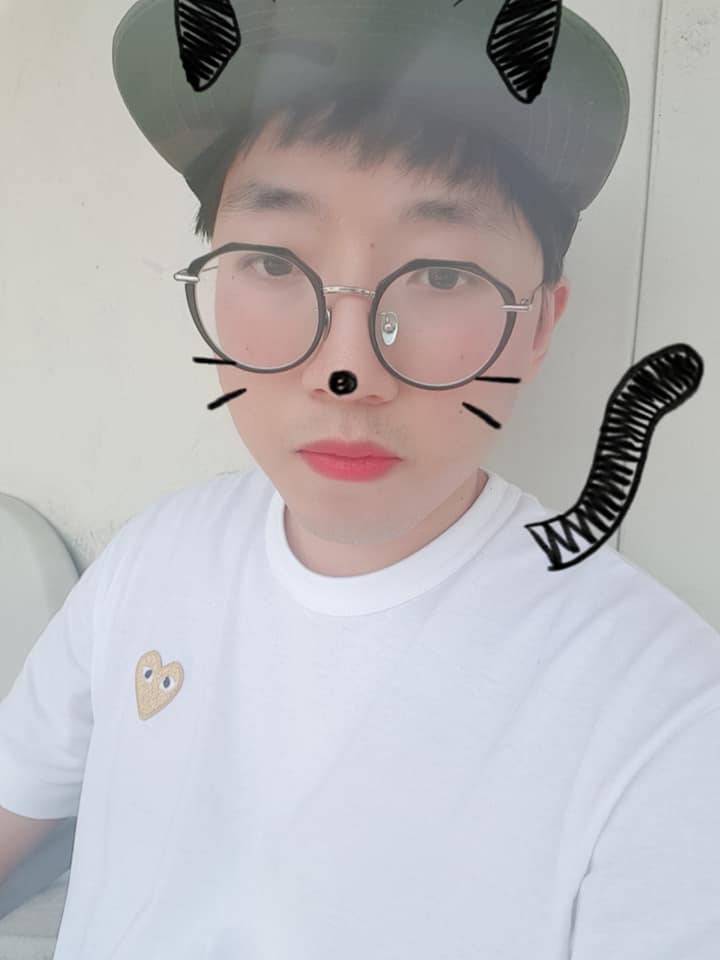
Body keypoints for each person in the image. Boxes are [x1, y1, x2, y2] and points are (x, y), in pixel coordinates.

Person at [1, 0, 719, 957]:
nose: (347, 369)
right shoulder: (151, 559)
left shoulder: (664, 712)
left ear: (540, 326)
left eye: (442, 277)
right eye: (272, 261)